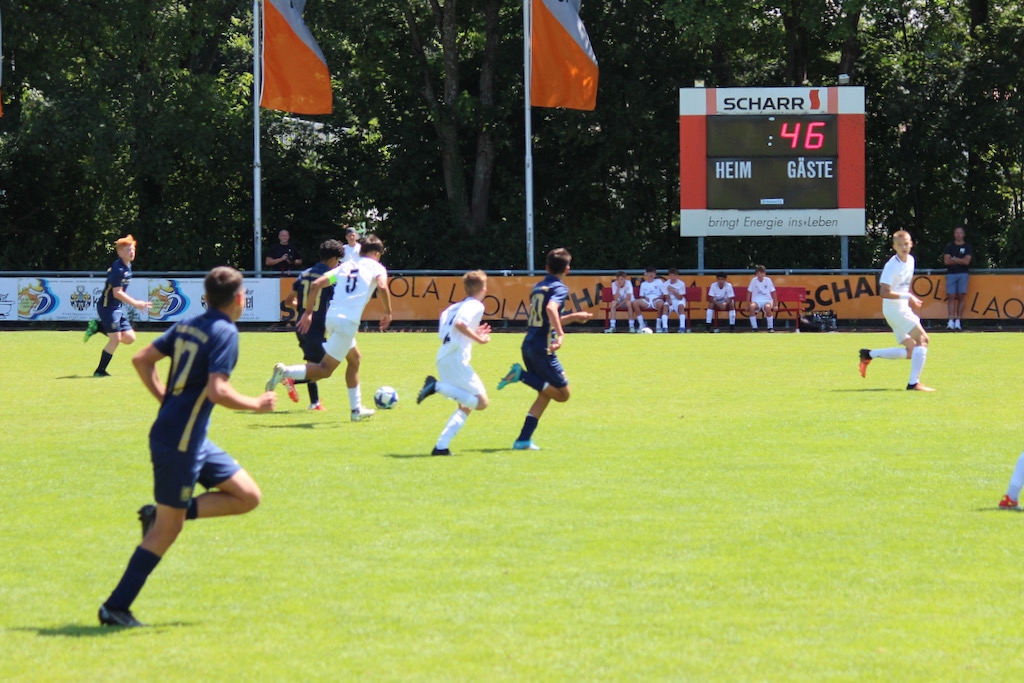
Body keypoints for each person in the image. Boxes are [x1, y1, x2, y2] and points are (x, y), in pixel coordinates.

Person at [97, 267, 277, 628]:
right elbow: (217, 391)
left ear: (207, 297)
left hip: (190, 437)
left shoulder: (189, 324)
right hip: (180, 442)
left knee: (248, 496)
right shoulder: (225, 332)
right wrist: (256, 404)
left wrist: (166, 400)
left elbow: (141, 359)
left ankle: (161, 515)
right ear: (240, 298)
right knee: (169, 530)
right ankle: (115, 607)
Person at [267, 235, 393, 422]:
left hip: (332, 318)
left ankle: (356, 409)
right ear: (377, 254)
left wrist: (308, 312)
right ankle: (286, 373)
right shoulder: (377, 267)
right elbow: (382, 286)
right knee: (325, 370)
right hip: (347, 322)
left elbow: (317, 284)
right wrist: (388, 312)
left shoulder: (346, 266)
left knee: (355, 359)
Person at [496, 248, 592, 450]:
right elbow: (550, 309)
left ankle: (523, 440)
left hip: (529, 345)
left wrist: (573, 317)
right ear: (567, 269)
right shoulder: (559, 288)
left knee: (546, 392)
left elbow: (546, 319)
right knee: (563, 394)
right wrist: (561, 334)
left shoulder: (538, 287)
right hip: (543, 349)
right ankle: (520, 375)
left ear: (547, 268)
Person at [416, 270, 492, 456]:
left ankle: (441, 447)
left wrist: (473, 334)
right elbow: (459, 324)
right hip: (456, 357)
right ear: (483, 288)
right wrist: (479, 339)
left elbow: (450, 331)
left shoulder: (452, 308)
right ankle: (436, 386)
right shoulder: (476, 305)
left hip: (445, 356)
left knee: (465, 405)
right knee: (482, 402)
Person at [858, 230, 934, 391]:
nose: (903, 247)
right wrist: (908, 296)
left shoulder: (911, 260)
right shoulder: (891, 265)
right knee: (923, 340)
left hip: (900, 309)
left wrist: (907, 298)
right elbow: (884, 292)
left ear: (911, 244)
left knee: (912, 352)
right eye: (899, 245)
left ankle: (869, 354)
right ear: (894, 247)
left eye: (906, 244)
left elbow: (901, 287)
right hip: (895, 310)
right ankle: (913, 384)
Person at [287, 239, 346, 410]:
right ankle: (290, 377)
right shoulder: (329, 278)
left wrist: (305, 309)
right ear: (333, 259)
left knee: (313, 364)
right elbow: (335, 303)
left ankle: (315, 403)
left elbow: (289, 301)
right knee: (324, 368)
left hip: (301, 325)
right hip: (315, 326)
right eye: (338, 261)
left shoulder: (304, 274)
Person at [83, 235, 152, 376]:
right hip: (107, 307)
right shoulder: (119, 269)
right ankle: (100, 371)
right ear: (120, 252)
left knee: (130, 338)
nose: (132, 252)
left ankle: (98, 327)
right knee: (115, 340)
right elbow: (117, 293)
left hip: (116, 308)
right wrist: (136, 303)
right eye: (128, 250)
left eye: (133, 249)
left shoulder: (127, 266)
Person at [943, 226, 972, 331]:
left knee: (961, 296)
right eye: (956, 233)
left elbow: (966, 262)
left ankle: (958, 320)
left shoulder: (967, 247)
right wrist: (960, 260)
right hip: (951, 274)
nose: (958, 235)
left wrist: (954, 258)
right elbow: (946, 261)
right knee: (951, 296)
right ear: (954, 234)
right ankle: (951, 320)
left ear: (963, 234)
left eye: (960, 233)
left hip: (963, 274)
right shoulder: (949, 246)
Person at [632, 266, 666, 332]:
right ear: (646, 274)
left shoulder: (659, 282)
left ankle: (658, 325)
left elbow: (664, 294)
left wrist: (658, 298)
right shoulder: (643, 284)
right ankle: (642, 324)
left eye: (652, 273)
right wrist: (645, 298)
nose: (651, 274)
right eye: (649, 273)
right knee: (635, 303)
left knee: (660, 304)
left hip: (657, 300)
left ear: (655, 274)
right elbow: (641, 296)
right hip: (647, 301)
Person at [747, 265, 778, 332]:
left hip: (767, 300)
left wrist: (775, 305)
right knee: (751, 307)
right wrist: (747, 305)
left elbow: (773, 292)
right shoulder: (753, 280)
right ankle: (754, 327)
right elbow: (749, 292)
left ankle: (770, 327)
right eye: (758, 273)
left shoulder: (768, 280)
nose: (759, 275)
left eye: (761, 273)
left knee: (767, 307)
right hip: (756, 300)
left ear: (764, 274)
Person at [664, 267, 688, 332]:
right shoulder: (665, 284)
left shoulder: (681, 284)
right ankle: (665, 328)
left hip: (679, 300)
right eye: (671, 276)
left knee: (681, 306)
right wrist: (669, 300)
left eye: (674, 276)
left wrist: (673, 291)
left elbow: (680, 297)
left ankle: (682, 327)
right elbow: (666, 295)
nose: (672, 278)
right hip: (670, 299)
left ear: (677, 276)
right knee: (665, 307)